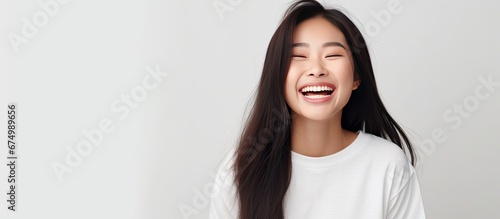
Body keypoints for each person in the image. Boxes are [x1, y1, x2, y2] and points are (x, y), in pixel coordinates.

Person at [209, 0, 426, 218]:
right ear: (278, 77)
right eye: (298, 57)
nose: (316, 69)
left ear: (356, 77)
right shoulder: (240, 172)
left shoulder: (389, 166)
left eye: (332, 55)